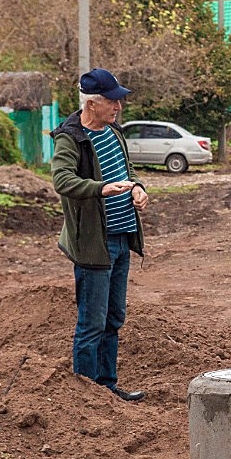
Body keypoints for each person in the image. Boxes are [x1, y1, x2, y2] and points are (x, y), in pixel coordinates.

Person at [51, 68, 151, 402]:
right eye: (113, 100)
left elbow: (127, 168)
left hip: (122, 237)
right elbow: (62, 181)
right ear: (92, 102)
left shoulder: (113, 132)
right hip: (95, 243)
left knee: (113, 318)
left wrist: (136, 187)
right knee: (91, 323)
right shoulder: (71, 138)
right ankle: (86, 399)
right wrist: (101, 188)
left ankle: (107, 388)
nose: (119, 106)